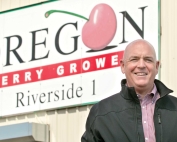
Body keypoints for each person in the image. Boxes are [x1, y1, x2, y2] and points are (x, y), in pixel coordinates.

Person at [81, 39, 177, 142]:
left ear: (157, 66)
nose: (141, 65)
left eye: (148, 60)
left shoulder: (174, 107)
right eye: (134, 59)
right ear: (123, 66)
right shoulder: (101, 113)